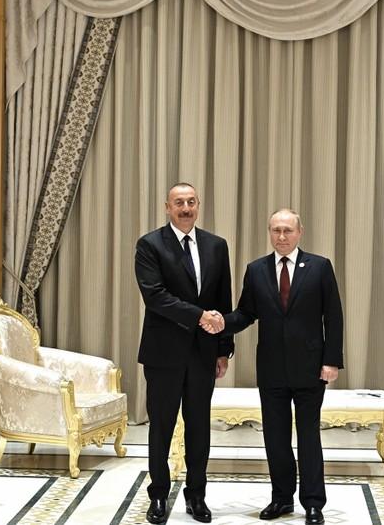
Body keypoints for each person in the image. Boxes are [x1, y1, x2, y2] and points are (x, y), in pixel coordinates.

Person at [214, 209, 343, 525]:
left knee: (309, 436)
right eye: (276, 230)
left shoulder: (320, 267)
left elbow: (333, 316)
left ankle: (313, 503)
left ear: (300, 232)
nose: (281, 236)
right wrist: (221, 322)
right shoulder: (256, 270)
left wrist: (331, 361)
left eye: (287, 230)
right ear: (269, 232)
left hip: (310, 368)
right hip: (272, 368)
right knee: (275, 437)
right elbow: (246, 313)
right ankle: (282, 499)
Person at [135, 183, 231, 524]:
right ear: (167, 207)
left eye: (191, 202)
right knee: (161, 427)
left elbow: (222, 299)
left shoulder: (216, 245)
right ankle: (159, 495)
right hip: (163, 354)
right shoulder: (150, 245)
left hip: (204, 354)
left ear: (198, 205)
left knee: (199, 428)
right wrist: (199, 316)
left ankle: (197, 495)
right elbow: (155, 296)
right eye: (179, 203)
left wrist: (224, 349)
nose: (186, 208)